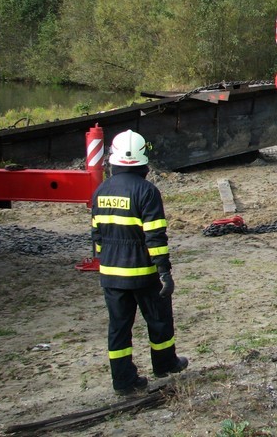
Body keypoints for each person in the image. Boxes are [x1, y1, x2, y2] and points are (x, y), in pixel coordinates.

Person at [91, 130, 188, 396]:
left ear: (113, 158)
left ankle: (123, 381)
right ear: (143, 160)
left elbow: (97, 234)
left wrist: (105, 259)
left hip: (111, 273)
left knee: (119, 328)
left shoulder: (100, 191)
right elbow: (155, 236)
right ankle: (165, 364)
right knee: (158, 319)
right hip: (143, 272)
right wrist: (164, 271)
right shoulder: (147, 191)